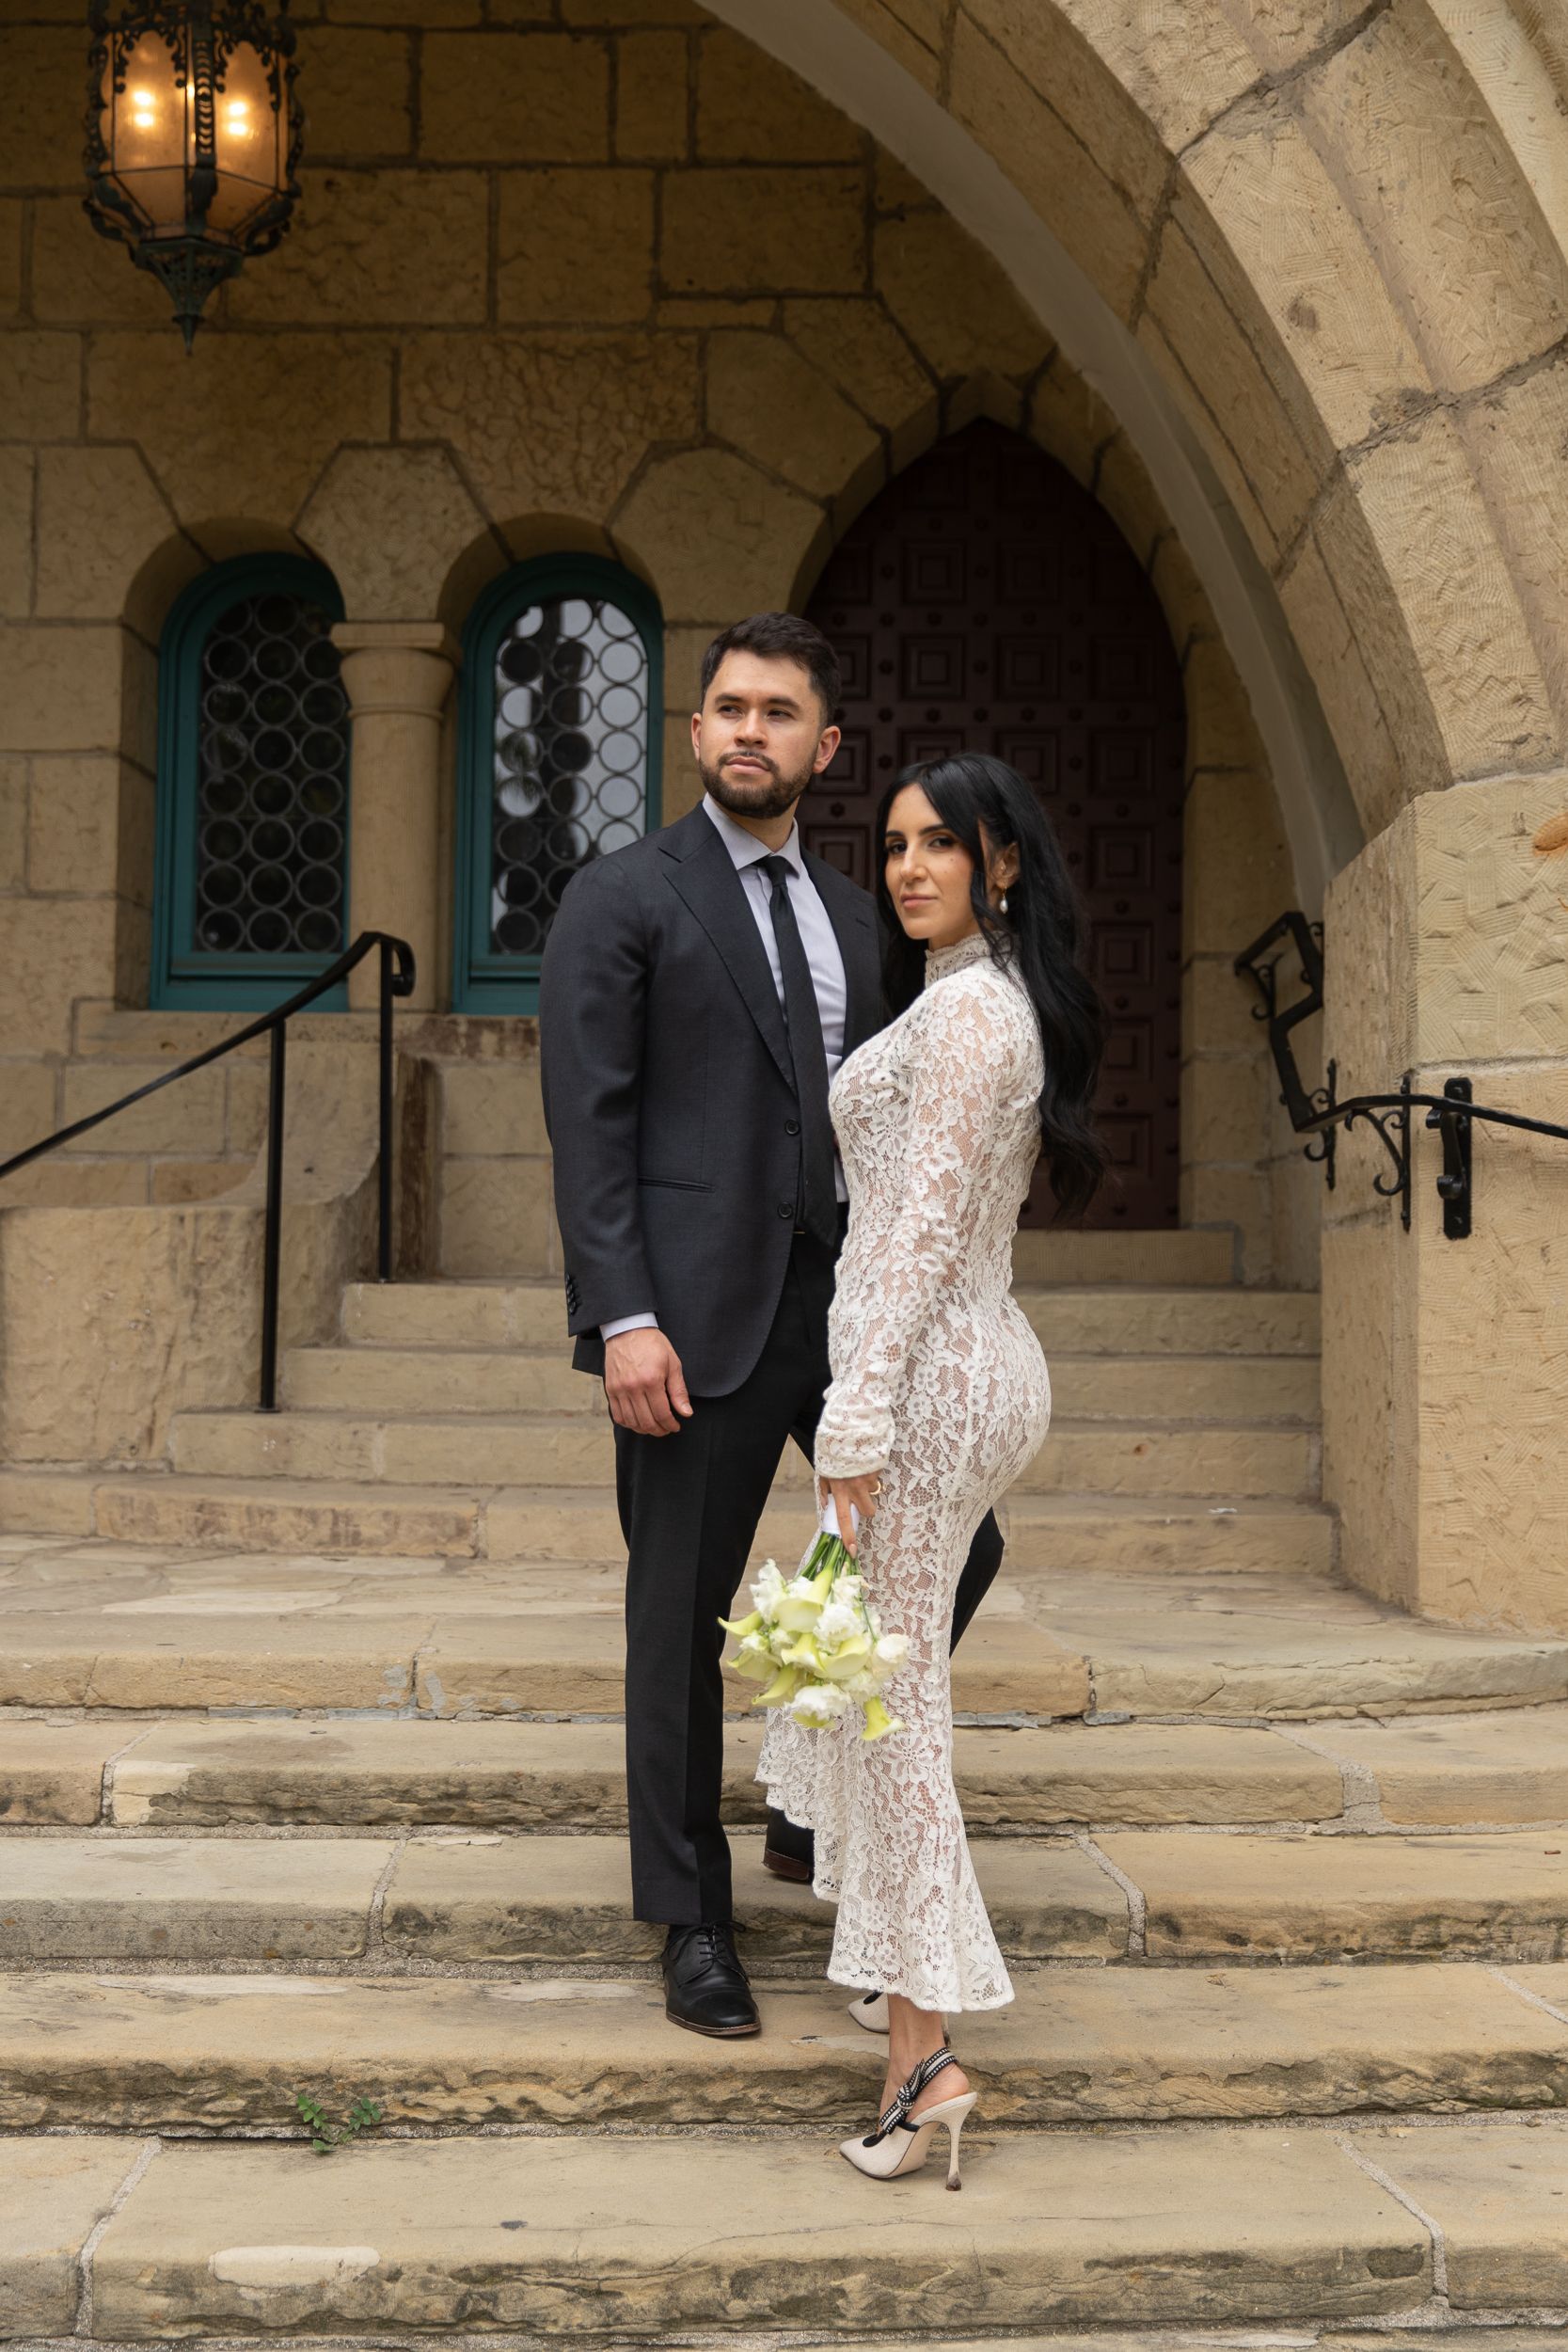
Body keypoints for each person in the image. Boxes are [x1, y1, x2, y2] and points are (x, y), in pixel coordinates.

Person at [538, 613, 1006, 2040]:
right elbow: (588, 1127)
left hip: (843, 1305)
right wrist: (622, 1315)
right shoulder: (623, 897)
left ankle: (804, 1792)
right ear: (694, 734)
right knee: (678, 1614)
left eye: (781, 711)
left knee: (951, 1547)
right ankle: (691, 1920)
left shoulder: (869, 918)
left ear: (825, 746)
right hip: (688, 1316)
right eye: (730, 707)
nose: (752, 729)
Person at [760, 752, 1106, 2185]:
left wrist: (852, 1423)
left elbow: (909, 1240)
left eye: (939, 846)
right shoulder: (975, 1000)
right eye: (893, 843)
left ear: (1000, 862)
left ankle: (926, 2055)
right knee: (871, 1700)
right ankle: (895, 1982)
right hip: (948, 1368)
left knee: (895, 1717)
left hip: (929, 1384)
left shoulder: (970, 1017)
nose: (907, 867)